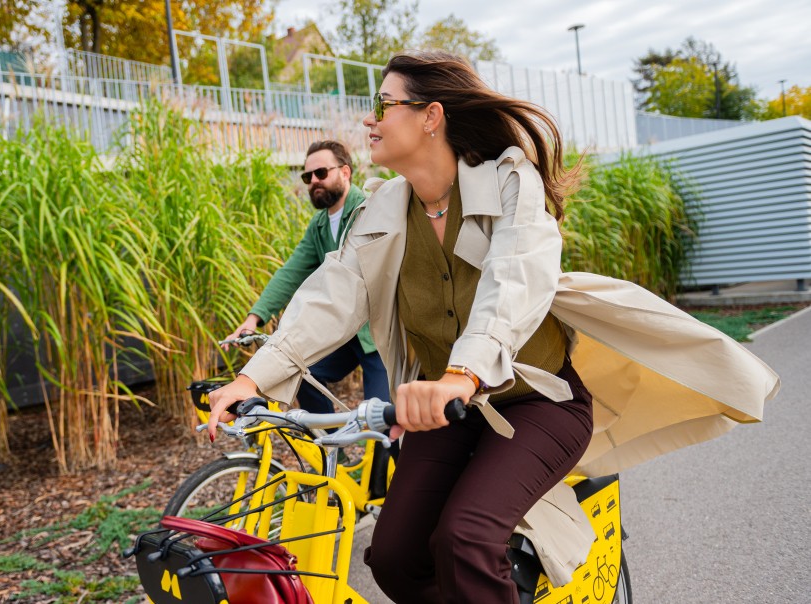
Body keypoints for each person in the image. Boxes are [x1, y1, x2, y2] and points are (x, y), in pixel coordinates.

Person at [207, 50, 779, 603]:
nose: (368, 118)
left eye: (383, 104)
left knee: (466, 539)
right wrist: (252, 381)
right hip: (449, 416)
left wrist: (462, 374)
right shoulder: (379, 212)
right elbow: (332, 294)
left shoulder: (509, 181)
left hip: (538, 403)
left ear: (431, 117)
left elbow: (515, 278)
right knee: (394, 558)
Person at [223, 140, 388, 416]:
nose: (313, 181)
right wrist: (253, 319)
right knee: (301, 373)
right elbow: (290, 272)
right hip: (345, 333)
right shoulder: (320, 224)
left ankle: (392, 456)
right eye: (307, 176)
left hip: (379, 335)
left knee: (385, 421)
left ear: (345, 172)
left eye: (321, 173)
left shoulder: (368, 208)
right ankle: (334, 449)